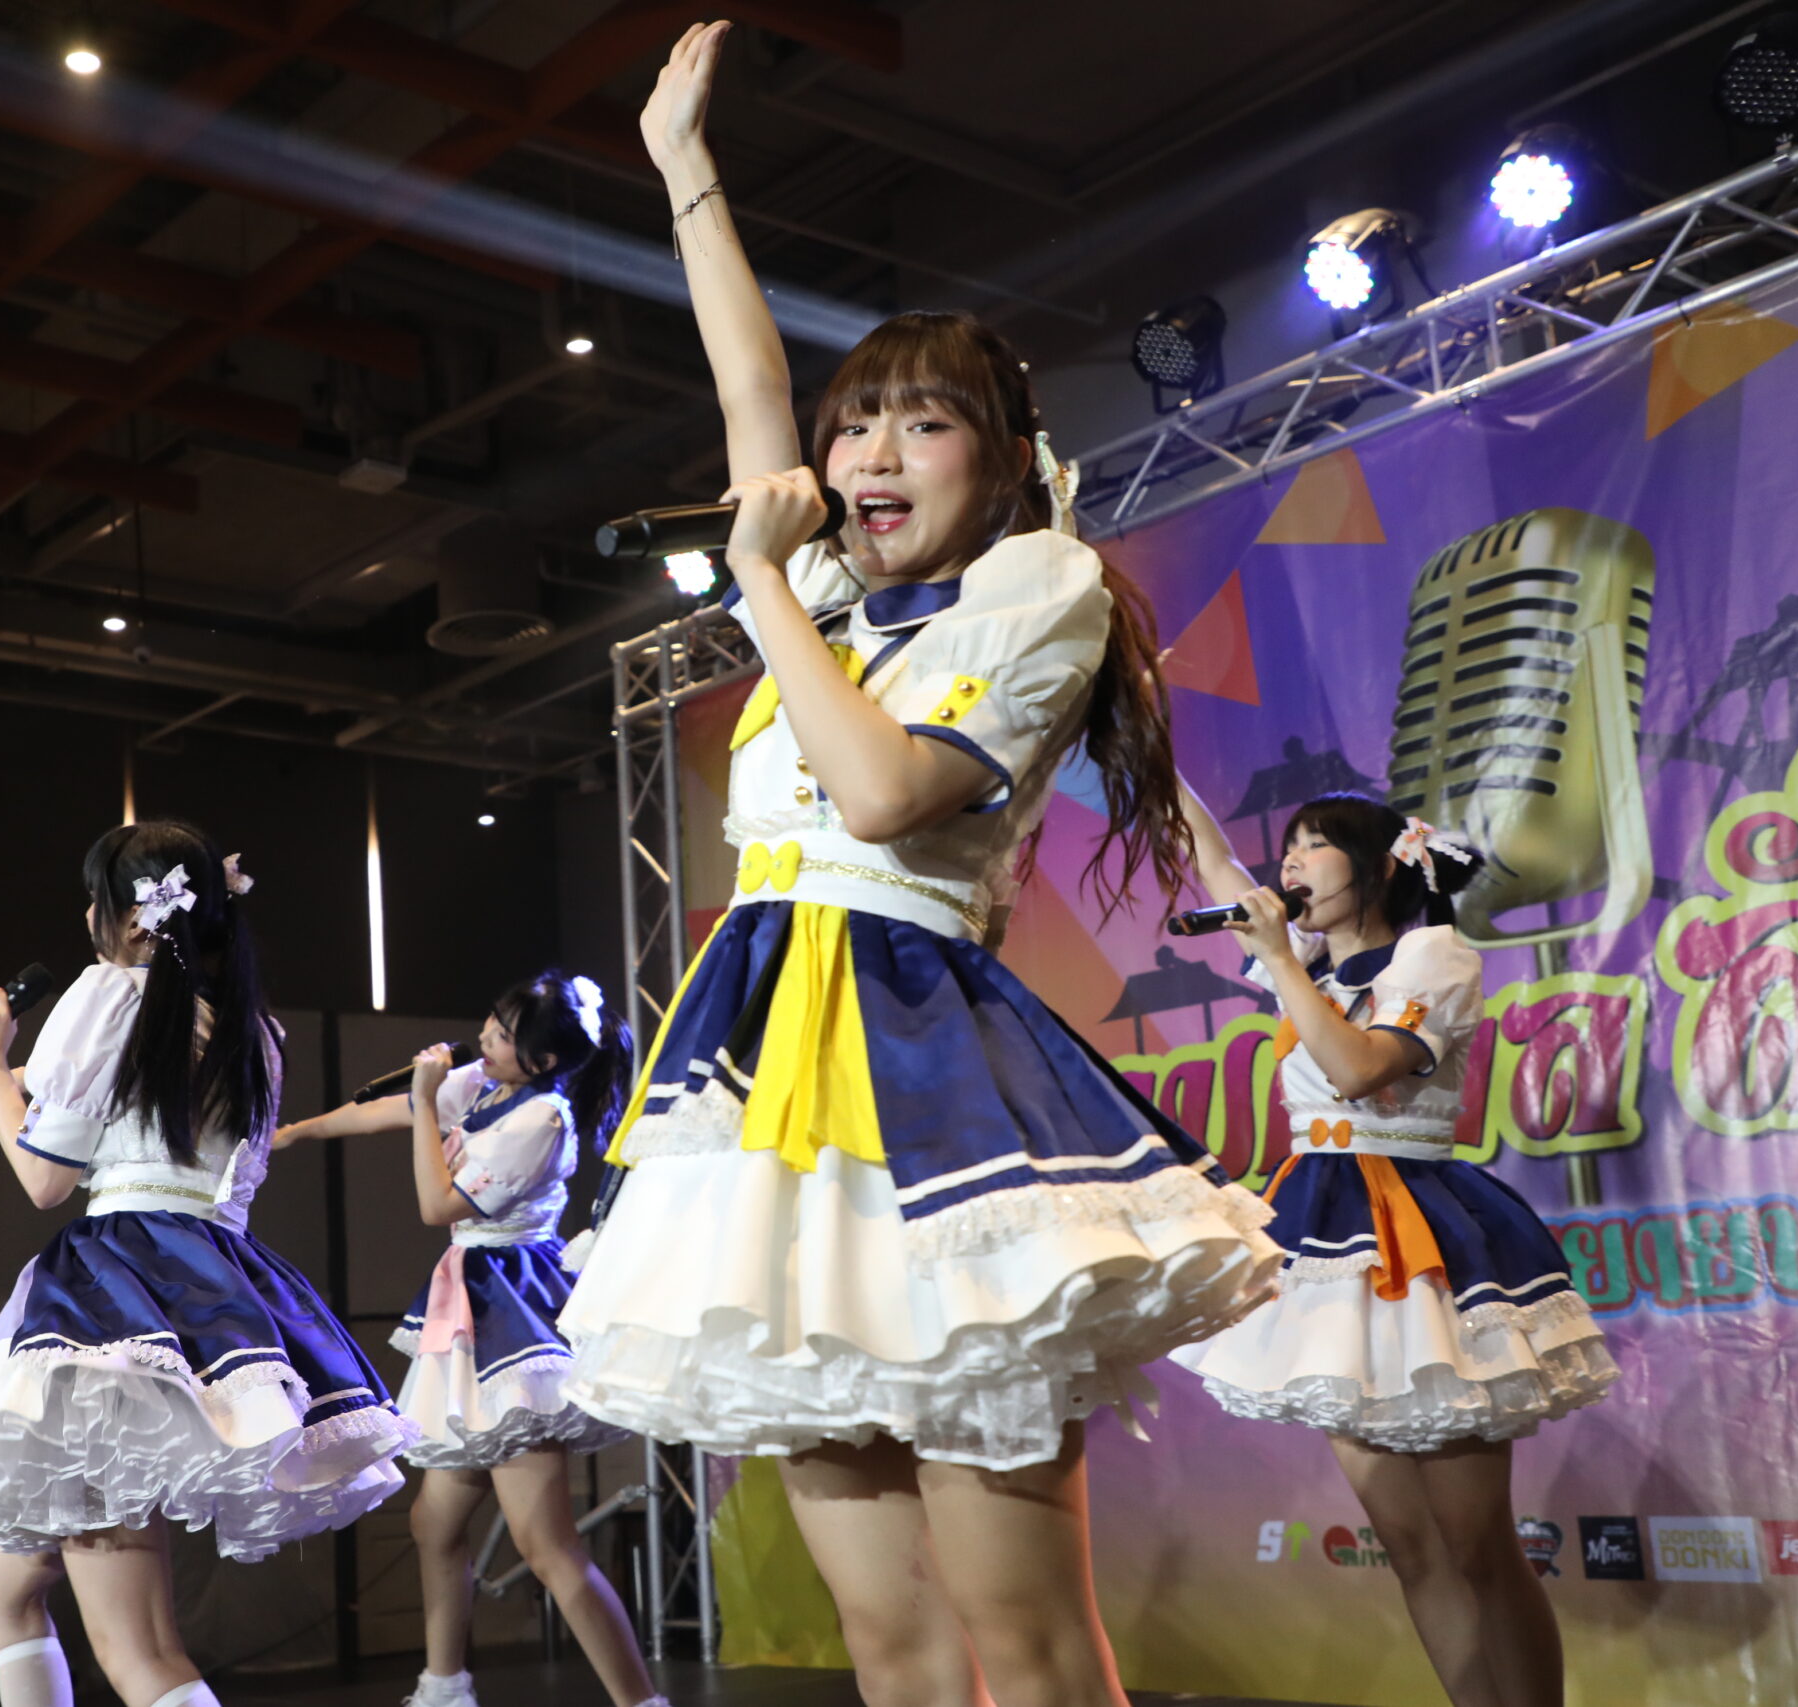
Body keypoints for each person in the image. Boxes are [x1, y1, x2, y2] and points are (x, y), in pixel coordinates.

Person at [555, 24, 1283, 1707]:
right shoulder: (826, 592)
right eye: (858, 427)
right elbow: (755, 401)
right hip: (771, 1087)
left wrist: (757, 587)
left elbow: (883, 793)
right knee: (888, 1640)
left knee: (1026, 1640)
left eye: (924, 424)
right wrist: (685, 168)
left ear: (1006, 454)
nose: (870, 457)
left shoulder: (1041, 587)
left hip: (924, 1065)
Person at [0, 822, 416, 1707]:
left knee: (137, 1648)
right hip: (208, 1285)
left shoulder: (106, 991)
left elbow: (44, 1180)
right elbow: (140, 1112)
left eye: (95, 900)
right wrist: (7, 1092)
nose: (87, 917)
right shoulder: (251, 1027)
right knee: (5, 1587)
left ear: (133, 918)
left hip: (119, 1299)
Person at [1169, 789, 1617, 1707]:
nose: (1290, 863)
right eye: (1287, 847)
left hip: (1418, 1232)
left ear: (1378, 869)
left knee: (1475, 1543)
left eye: (1315, 845)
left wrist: (1278, 958)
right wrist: (1144, 748)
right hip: (1323, 1239)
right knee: (1412, 1546)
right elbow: (1217, 862)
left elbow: (1361, 1067)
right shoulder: (1305, 965)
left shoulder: (1430, 953)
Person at [278, 972, 662, 1707]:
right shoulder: (488, 1088)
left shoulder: (542, 1118)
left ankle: (641, 1701)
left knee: (546, 1547)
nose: (484, 1036)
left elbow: (436, 1203)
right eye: (491, 1020)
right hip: (472, 1306)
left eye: (503, 1034)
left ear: (545, 1060)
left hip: (511, 1310)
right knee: (434, 1522)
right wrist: (297, 1132)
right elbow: (386, 1112)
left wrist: (427, 1102)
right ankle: (444, 1688)